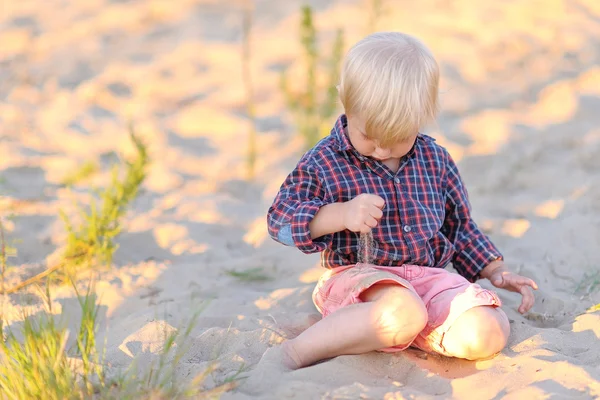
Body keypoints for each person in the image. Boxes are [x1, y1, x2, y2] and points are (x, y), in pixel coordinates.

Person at [266, 32, 538, 370]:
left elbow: (459, 227)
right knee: (401, 311)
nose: (381, 151)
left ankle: (403, 333)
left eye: (397, 139)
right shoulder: (325, 161)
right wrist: (339, 214)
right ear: (345, 102)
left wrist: (495, 269)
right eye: (368, 136)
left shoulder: (436, 161)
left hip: (427, 278)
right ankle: (296, 352)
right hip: (361, 279)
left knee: (488, 332)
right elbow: (280, 219)